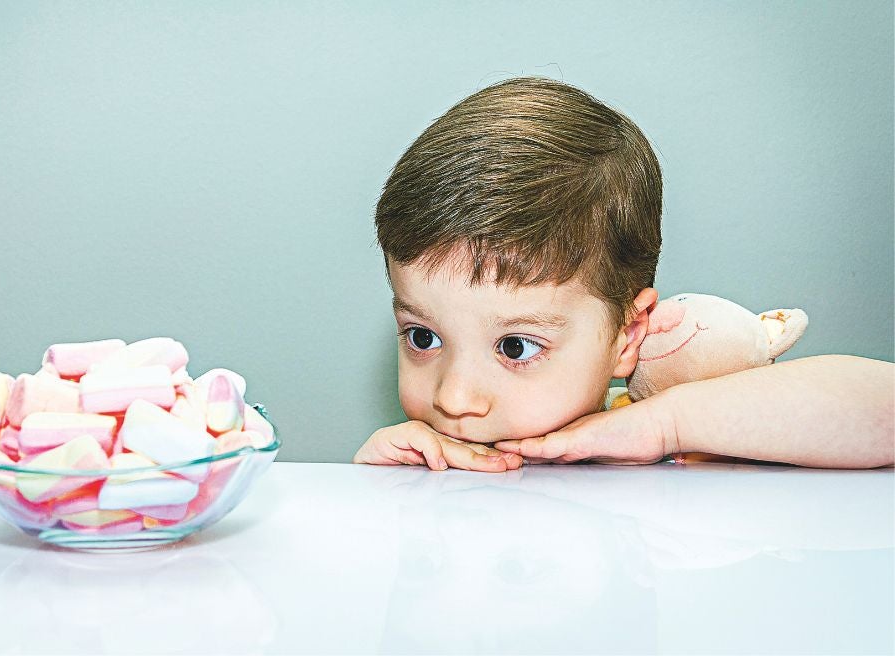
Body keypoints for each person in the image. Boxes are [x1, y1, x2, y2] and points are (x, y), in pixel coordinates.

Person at [352, 77, 893, 472]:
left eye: (516, 346)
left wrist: (667, 426)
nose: (454, 397)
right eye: (422, 338)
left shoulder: (666, 432)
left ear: (627, 336)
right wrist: (381, 491)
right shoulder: (424, 459)